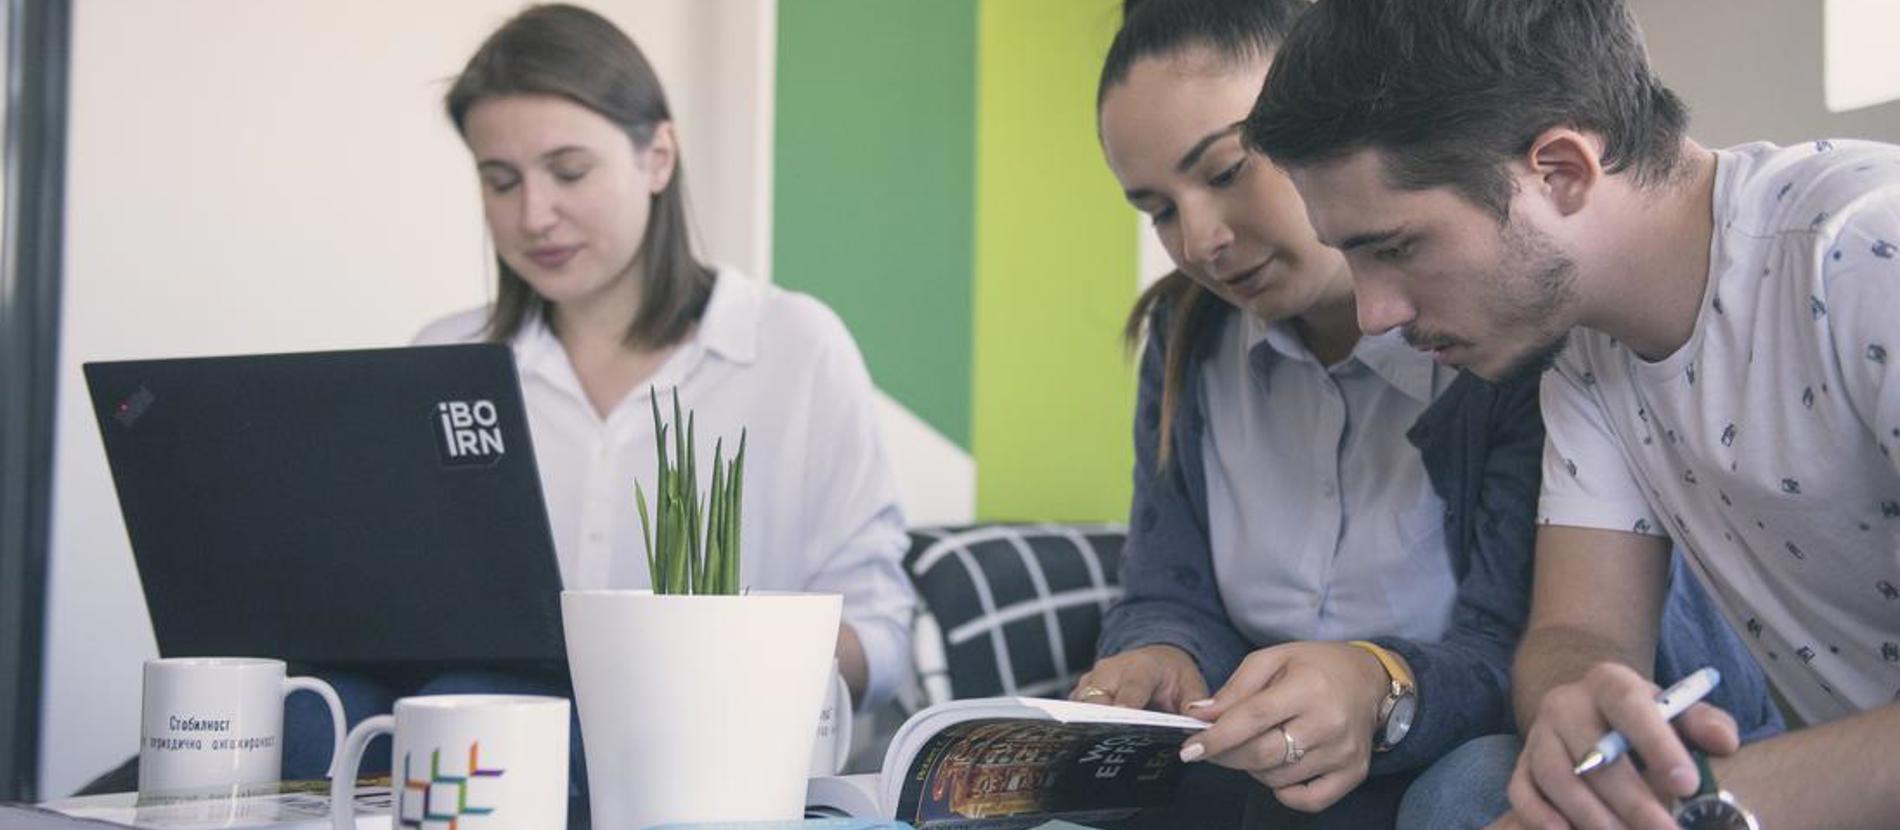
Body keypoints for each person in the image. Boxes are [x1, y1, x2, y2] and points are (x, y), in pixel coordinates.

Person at [1074, 0, 1779, 827]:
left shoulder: (1513, 320)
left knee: (1473, 784)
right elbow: (1166, 587)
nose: (1199, 243)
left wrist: (1381, 684)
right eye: (1156, 208)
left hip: (1462, 751)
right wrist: (1164, 653)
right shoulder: (1187, 336)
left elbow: (1545, 658)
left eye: (1230, 170)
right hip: (1294, 767)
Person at [1245, 0, 1900, 827]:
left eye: (1396, 246)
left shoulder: (1866, 253)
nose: (1374, 313)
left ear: (1559, 171)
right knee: (1480, 789)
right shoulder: (1587, 353)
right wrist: (1576, 704)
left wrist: (1704, 811)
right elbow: (1578, 629)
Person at [285, 2, 914, 781]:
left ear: (657, 157)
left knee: (475, 705)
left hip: (698, 745)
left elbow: (881, 629)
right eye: (500, 180)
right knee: (305, 711)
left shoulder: (793, 349)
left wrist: (722, 659)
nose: (533, 215)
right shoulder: (444, 358)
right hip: (458, 722)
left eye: (569, 172)